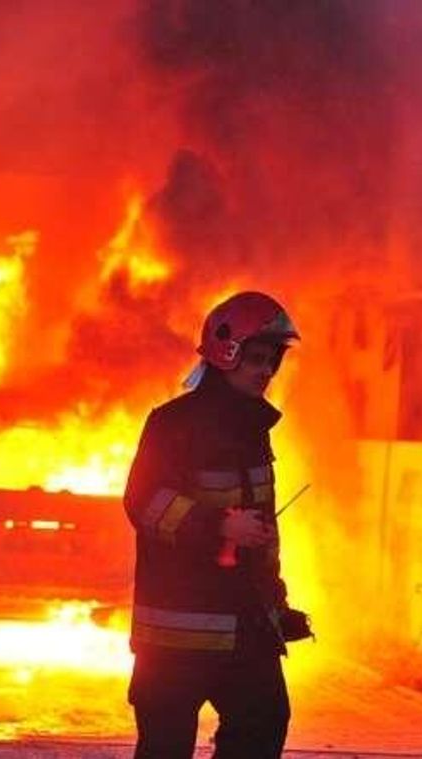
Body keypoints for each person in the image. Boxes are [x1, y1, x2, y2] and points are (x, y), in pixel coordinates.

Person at [123, 290, 313, 759]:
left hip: (245, 626)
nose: (266, 371)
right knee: (165, 748)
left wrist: (277, 605)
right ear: (226, 352)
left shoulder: (254, 430)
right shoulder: (173, 424)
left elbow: (262, 534)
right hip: (175, 638)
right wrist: (219, 528)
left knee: (264, 725)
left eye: (272, 361)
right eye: (256, 359)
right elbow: (143, 502)